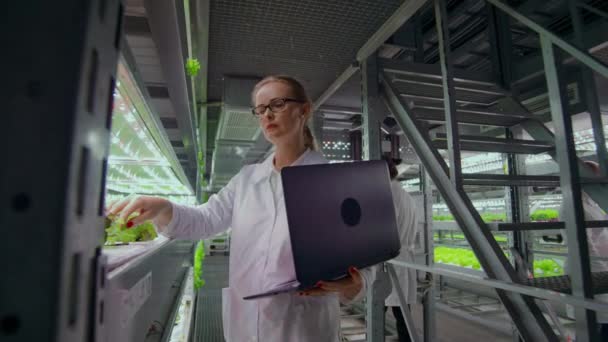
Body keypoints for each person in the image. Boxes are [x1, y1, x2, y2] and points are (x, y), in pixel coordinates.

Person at [107, 75, 374, 342]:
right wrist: (163, 207)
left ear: (304, 110)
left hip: (301, 323)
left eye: (277, 104)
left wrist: (357, 281)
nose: (267, 115)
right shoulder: (247, 179)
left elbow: (364, 257)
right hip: (245, 322)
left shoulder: (334, 182)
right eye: (260, 109)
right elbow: (206, 220)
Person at [561, 160, 608, 338]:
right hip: (592, 273)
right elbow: (584, 246)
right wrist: (603, 273)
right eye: (595, 175)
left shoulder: (592, 202)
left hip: (601, 270)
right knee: (594, 324)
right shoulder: (572, 204)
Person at [382, 156, 419, 342]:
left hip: (389, 261)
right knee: (403, 313)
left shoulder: (386, 194)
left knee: (377, 313)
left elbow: (381, 232)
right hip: (404, 259)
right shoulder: (405, 195)